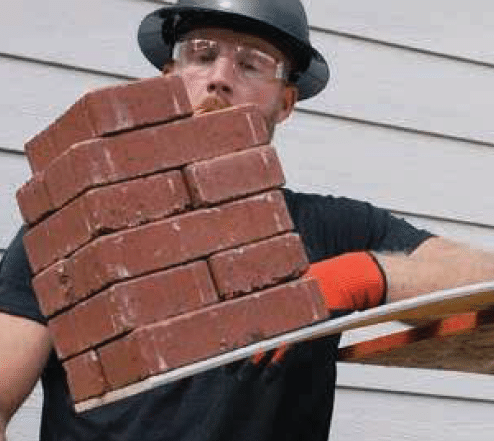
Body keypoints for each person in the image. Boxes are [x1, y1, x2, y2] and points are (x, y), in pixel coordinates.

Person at [1, 1, 494, 440]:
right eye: (202, 54)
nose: (220, 77)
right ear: (168, 79)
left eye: (252, 63)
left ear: (285, 103)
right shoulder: (73, 230)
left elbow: (483, 280)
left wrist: (362, 276)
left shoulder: (334, 229)